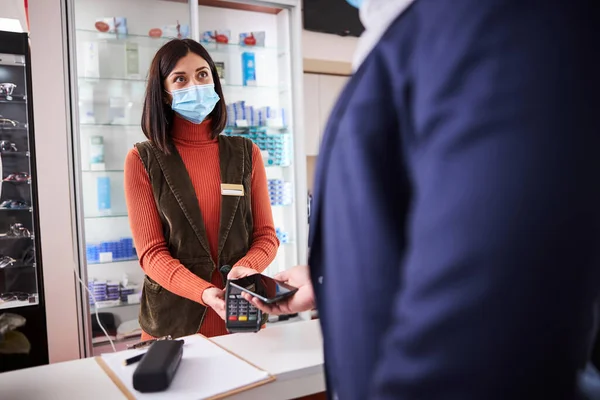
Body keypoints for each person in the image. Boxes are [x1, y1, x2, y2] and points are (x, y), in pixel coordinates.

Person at [232, 0, 600, 398]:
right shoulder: (403, 35)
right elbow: (414, 223)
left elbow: (479, 337)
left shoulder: (495, 21)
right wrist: (328, 280)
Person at [124, 39, 279, 341]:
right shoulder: (142, 160)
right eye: (180, 78)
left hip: (241, 315)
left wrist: (247, 267)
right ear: (164, 94)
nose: (195, 84)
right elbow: (151, 254)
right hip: (173, 326)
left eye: (202, 74)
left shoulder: (247, 153)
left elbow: (266, 236)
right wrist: (204, 292)